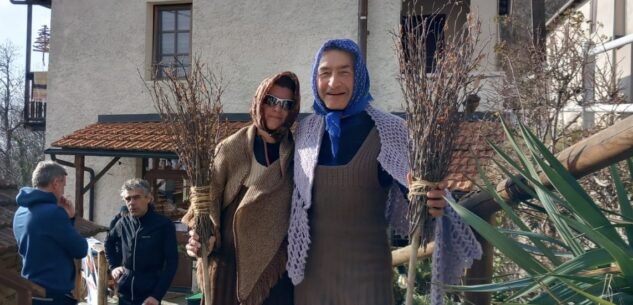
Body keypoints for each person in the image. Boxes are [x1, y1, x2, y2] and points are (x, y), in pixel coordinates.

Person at [286, 39, 480, 305]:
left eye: (344, 72)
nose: (333, 83)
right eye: (325, 73)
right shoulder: (304, 133)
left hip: (367, 281)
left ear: (360, 77)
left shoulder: (390, 131)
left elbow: (420, 193)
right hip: (310, 282)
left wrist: (436, 203)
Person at [184, 71, 301, 305]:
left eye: (286, 104)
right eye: (272, 101)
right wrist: (204, 235)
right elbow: (208, 201)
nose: (278, 109)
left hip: (274, 264)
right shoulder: (230, 148)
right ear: (259, 101)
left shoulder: (297, 153)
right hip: (229, 260)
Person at [13, 160, 88, 305]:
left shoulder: (20, 211)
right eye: (63, 185)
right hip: (52, 295)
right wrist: (71, 218)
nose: (63, 191)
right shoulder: (53, 213)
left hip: (30, 291)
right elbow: (80, 249)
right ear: (55, 183)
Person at [105, 178, 178, 305]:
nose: (131, 203)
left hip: (149, 295)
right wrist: (114, 266)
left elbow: (172, 263)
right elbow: (109, 242)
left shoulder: (163, 225)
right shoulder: (123, 223)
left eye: (136, 197)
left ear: (148, 198)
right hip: (124, 293)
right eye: (128, 199)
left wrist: (157, 295)